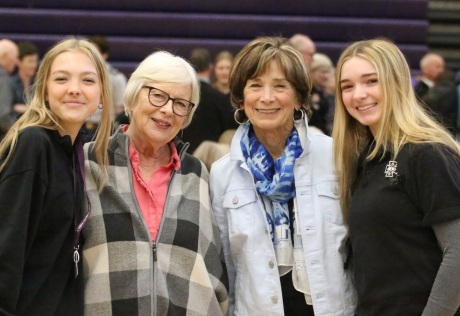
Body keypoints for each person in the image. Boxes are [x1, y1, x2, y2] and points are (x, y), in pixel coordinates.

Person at [210, 37, 356, 316]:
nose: (267, 97)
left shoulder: (336, 156)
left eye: (280, 85)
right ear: (241, 97)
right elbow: (225, 264)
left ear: (300, 97)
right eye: (255, 85)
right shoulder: (223, 172)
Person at [82, 51, 229, 316]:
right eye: (158, 95)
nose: (167, 110)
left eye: (181, 103)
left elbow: (211, 258)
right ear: (134, 95)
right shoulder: (89, 162)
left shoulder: (196, 173)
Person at [333, 39, 460, 316]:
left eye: (371, 81)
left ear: (397, 83)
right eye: (347, 86)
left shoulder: (426, 154)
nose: (358, 95)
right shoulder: (363, 159)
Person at [0, 38, 112, 316]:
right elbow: (6, 247)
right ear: (44, 88)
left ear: (101, 95)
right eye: (61, 79)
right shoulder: (33, 143)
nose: (74, 89)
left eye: (87, 80)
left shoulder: (76, 153)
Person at [182, 48, 237, 153]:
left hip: (184, 154)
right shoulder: (218, 97)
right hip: (211, 157)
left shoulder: (181, 94)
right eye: (221, 68)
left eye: (228, 68)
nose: (224, 72)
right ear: (212, 68)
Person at [87, 35, 128, 139]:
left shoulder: (116, 78)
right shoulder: (75, 76)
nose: (90, 56)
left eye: (94, 53)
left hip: (103, 129)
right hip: (77, 126)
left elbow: (120, 109)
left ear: (104, 55)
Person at [10, 42, 39, 117]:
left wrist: (22, 108)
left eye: (35, 61)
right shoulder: (10, 83)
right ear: (19, 62)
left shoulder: (39, 83)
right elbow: (7, 108)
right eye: (30, 61)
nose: (34, 65)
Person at [310, 53, 335, 134]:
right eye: (323, 72)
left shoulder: (325, 92)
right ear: (311, 72)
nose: (326, 76)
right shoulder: (304, 92)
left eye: (328, 72)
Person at [0, 39, 18, 134]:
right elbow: (3, 116)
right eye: (14, 57)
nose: (16, 62)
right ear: (5, 56)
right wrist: (20, 131)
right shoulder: (3, 78)